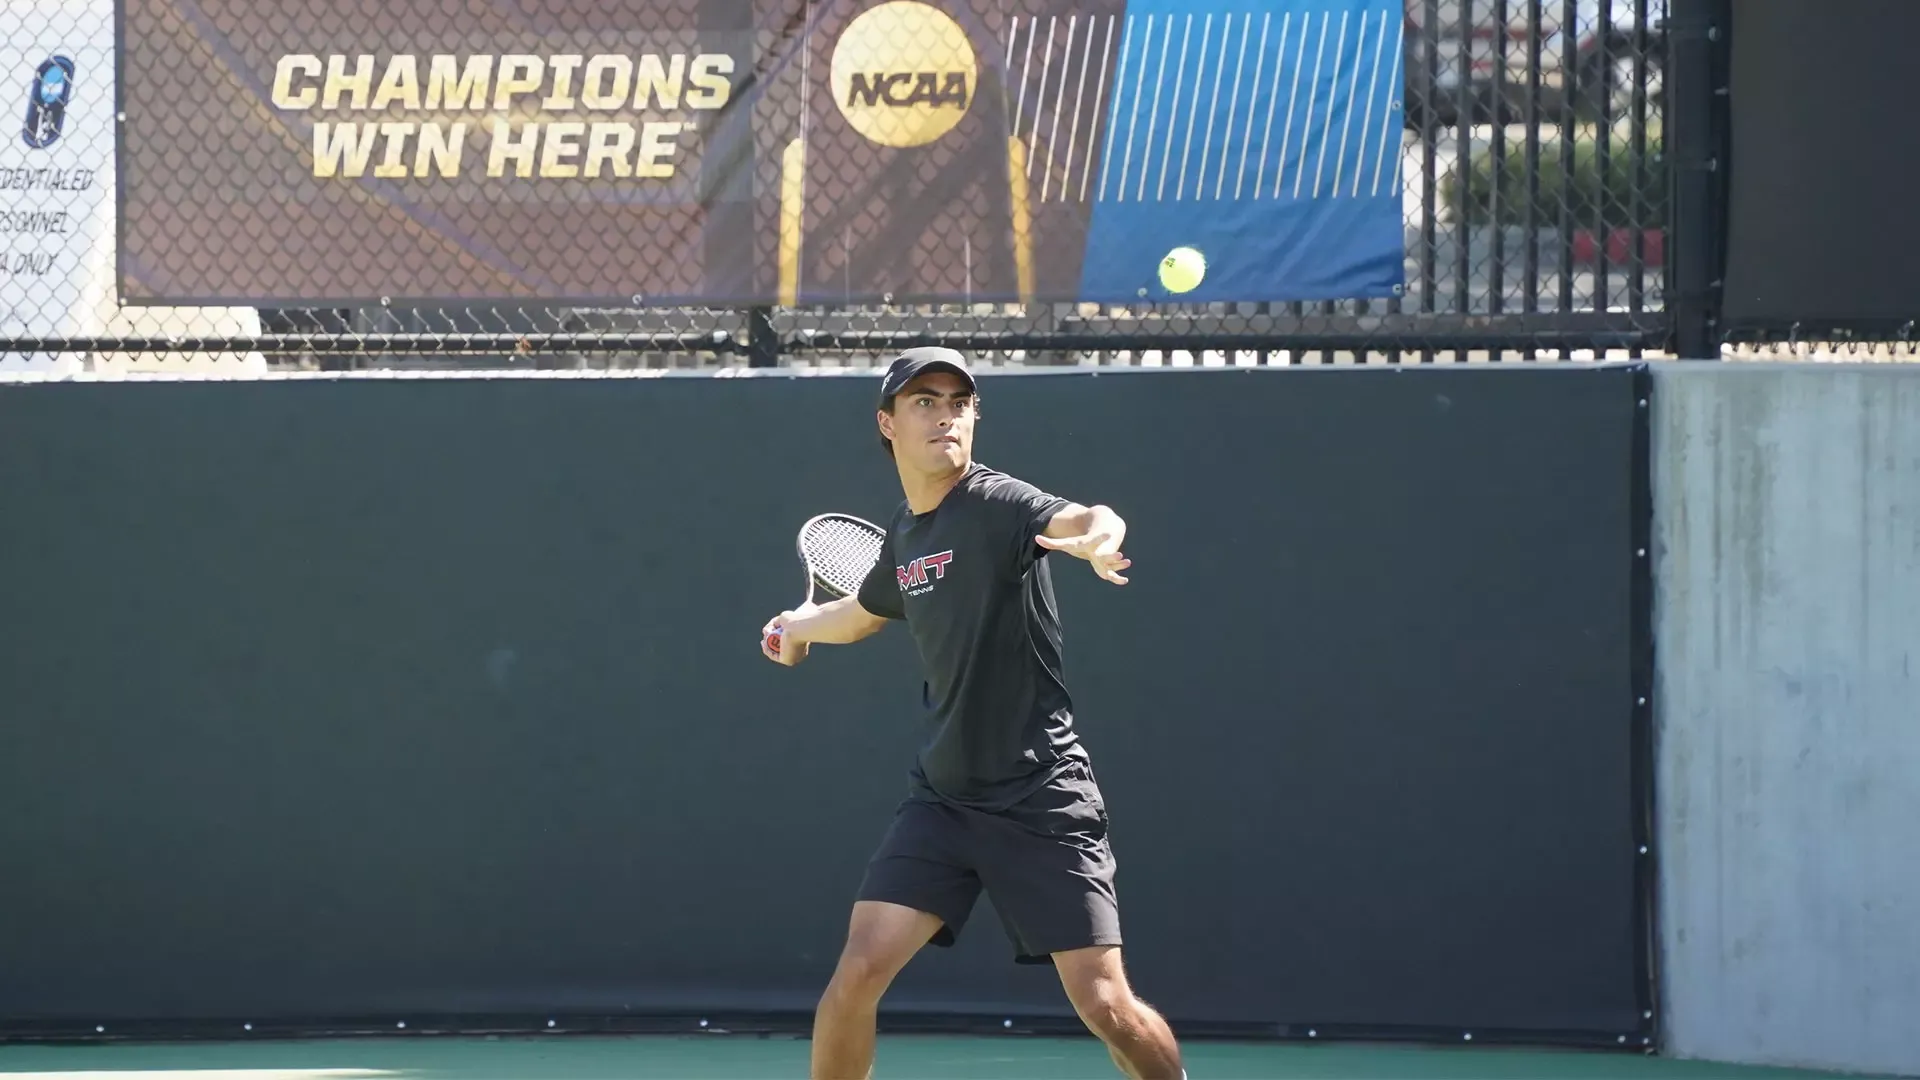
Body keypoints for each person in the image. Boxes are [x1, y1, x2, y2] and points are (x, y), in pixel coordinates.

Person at [759, 347, 1187, 1080]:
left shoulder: (997, 505)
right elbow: (863, 612)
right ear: (887, 423)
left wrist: (1098, 536)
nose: (946, 414)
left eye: (960, 402)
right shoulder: (907, 532)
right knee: (854, 980)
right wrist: (796, 629)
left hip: (1041, 796)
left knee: (1105, 1004)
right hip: (944, 801)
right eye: (925, 401)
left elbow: (1084, 514)